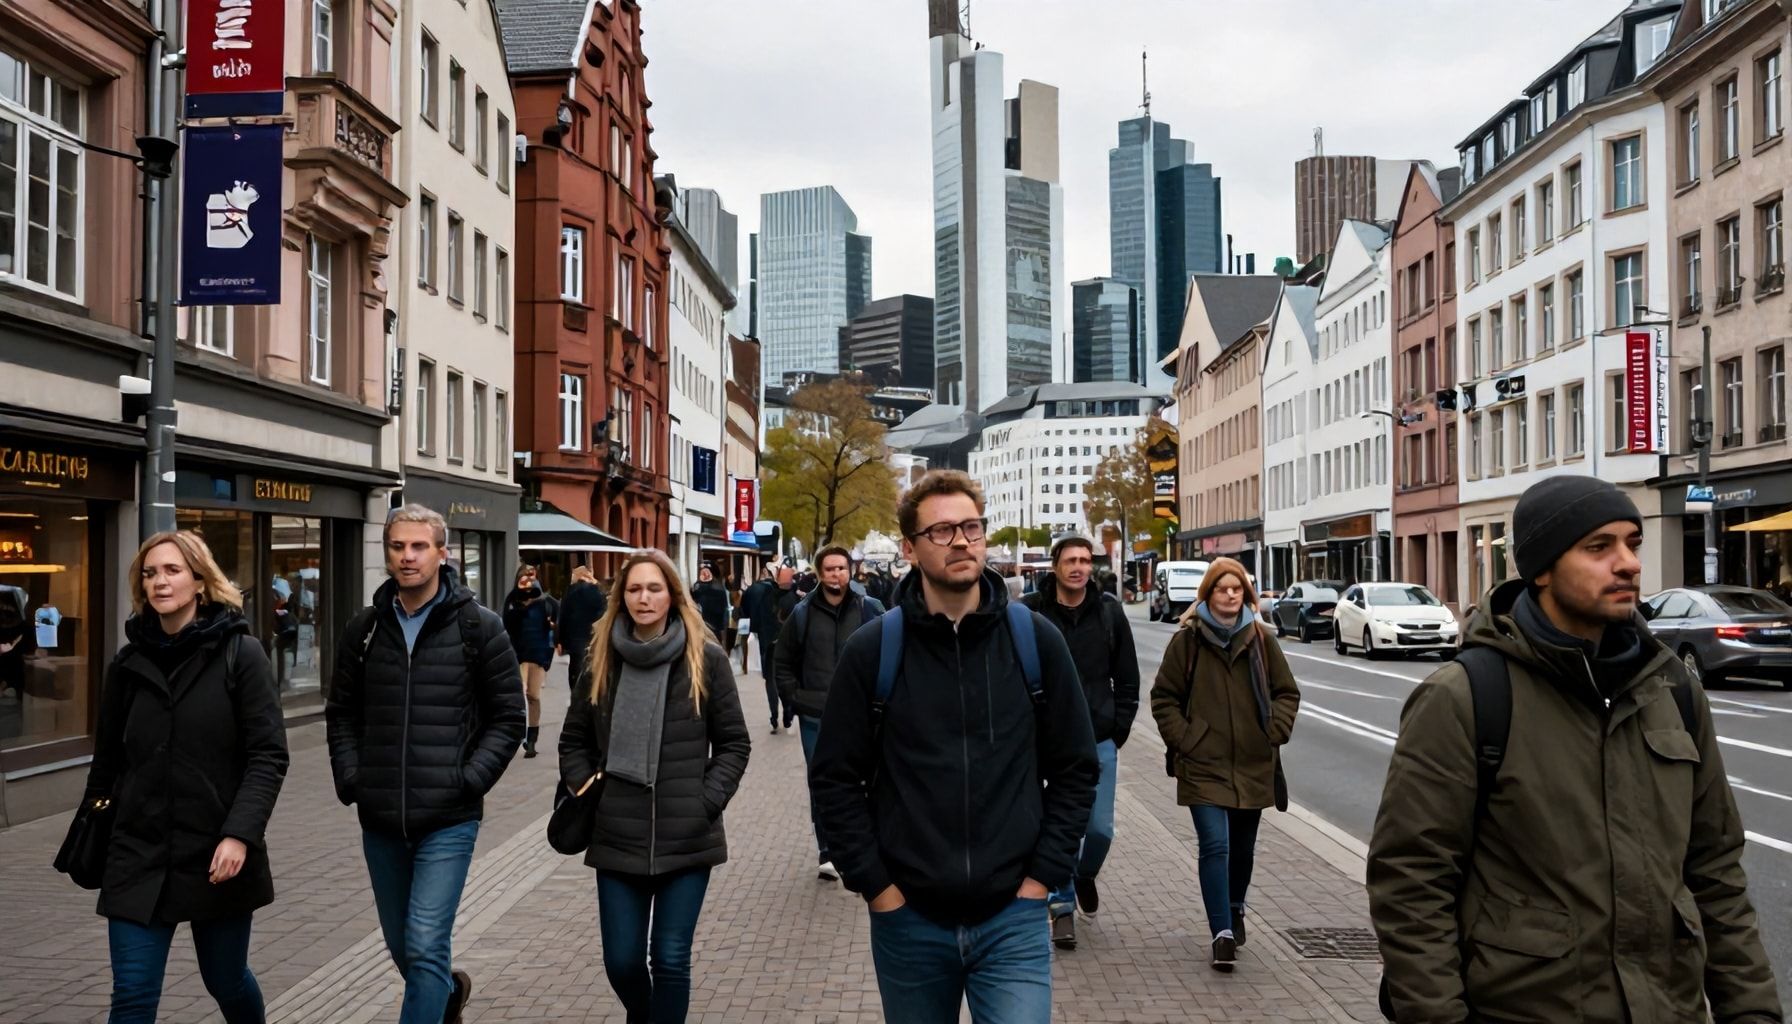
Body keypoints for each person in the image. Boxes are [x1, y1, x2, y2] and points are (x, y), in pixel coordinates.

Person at [1367, 477, 1782, 1022]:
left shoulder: (1672, 690)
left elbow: (1716, 873)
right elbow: (1411, 883)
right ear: (1541, 568)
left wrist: (1753, 1012)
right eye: (1598, 547)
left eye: (1633, 543)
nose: (1629, 563)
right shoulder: (1468, 696)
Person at [810, 470, 1098, 1023]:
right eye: (941, 531)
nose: (961, 540)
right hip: (909, 918)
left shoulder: (1035, 641)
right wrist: (877, 887)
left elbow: (1076, 768)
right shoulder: (874, 651)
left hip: (1012, 915)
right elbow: (835, 777)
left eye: (970, 527)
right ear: (910, 548)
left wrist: (1043, 878)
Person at [326, 504, 526, 1024]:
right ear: (387, 553)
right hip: (382, 816)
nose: (408, 556)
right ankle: (444, 1001)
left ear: (442, 553)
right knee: (405, 949)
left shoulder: (478, 628)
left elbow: (508, 717)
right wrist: (353, 779)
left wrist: (470, 780)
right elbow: (341, 711)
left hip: (449, 819)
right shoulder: (365, 629)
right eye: (398, 547)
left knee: (424, 939)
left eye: (419, 547)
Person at [81, 530, 289, 1023]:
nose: (160, 582)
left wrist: (240, 834)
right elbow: (107, 763)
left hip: (216, 850)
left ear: (200, 581)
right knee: (132, 994)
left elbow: (268, 756)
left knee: (226, 979)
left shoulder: (242, 654)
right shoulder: (127, 665)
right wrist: (94, 830)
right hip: (139, 851)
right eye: (150, 573)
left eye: (172, 571)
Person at [560, 550, 751, 1023]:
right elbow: (573, 739)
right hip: (616, 834)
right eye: (634, 589)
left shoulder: (705, 658)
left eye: (654, 588)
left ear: (673, 595)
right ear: (620, 597)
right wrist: (588, 788)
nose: (644, 598)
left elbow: (734, 744)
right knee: (622, 962)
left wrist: (704, 803)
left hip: (687, 837)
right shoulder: (602, 658)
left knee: (669, 959)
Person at [1150, 556, 1299, 972]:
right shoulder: (1188, 641)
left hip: (1253, 762)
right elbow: (1164, 698)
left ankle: (1235, 907)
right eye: (1223, 588)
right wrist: (1186, 739)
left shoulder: (1261, 639)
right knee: (1215, 844)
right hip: (1204, 763)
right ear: (1209, 593)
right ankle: (1222, 933)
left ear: (1245, 594)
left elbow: (1287, 692)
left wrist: (1275, 730)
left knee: (1243, 849)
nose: (1230, 595)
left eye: (1237, 589)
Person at [1021, 535, 1139, 951]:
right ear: (1054, 566)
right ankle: (1061, 906)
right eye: (1070, 560)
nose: (1078, 567)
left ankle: (1085, 875)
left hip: (1097, 737)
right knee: (1055, 824)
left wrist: (1117, 727)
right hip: (1043, 740)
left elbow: (1127, 678)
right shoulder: (1029, 612)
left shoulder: (1108, 612)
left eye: (1085, 561)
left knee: (1099, 829)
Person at [773, 544, 885, 883]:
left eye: (842, 568)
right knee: (823, 783)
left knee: (869, 780)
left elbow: (893, 653)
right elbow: (783, 662)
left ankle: (864, 847)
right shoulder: (803, 613)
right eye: (830, 569)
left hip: (863, 716)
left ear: (850, 571)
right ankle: (829, 851)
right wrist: (796, 699)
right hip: (815, 715)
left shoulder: (871, 609)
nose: (837, 574)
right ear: (820, 573)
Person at [503, 564, 559, 758]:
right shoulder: (512, 600)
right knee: (517, 696)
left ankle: (532, 739)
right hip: (517, 655)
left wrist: (550, 652)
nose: (528, 581)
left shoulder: (545, 602)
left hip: (537, 655)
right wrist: (522, 606)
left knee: (533, 696)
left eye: (531, 578)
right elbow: (506, 624)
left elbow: (558, 623)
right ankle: (515, 735)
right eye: (524, 577)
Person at [750, 565, 796, 733]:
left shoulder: (766, 597)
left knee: (771, 682)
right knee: (784, 681)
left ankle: (774, 715)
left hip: (769, 645)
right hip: (786, 648)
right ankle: (786, 712)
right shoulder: (793, 600)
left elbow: (756, 620)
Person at [557, 565, 608, 692]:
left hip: (575, 640)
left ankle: (575, 693)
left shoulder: (571, 592)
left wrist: (560, 640)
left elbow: (563, 616)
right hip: (593, 638)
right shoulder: (599, 593)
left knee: (575, 669)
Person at [690, 561, 732, 644]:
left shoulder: (697, 586)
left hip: (701, 625)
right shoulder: (719, 588)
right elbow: (724, 610)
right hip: (714, 627)